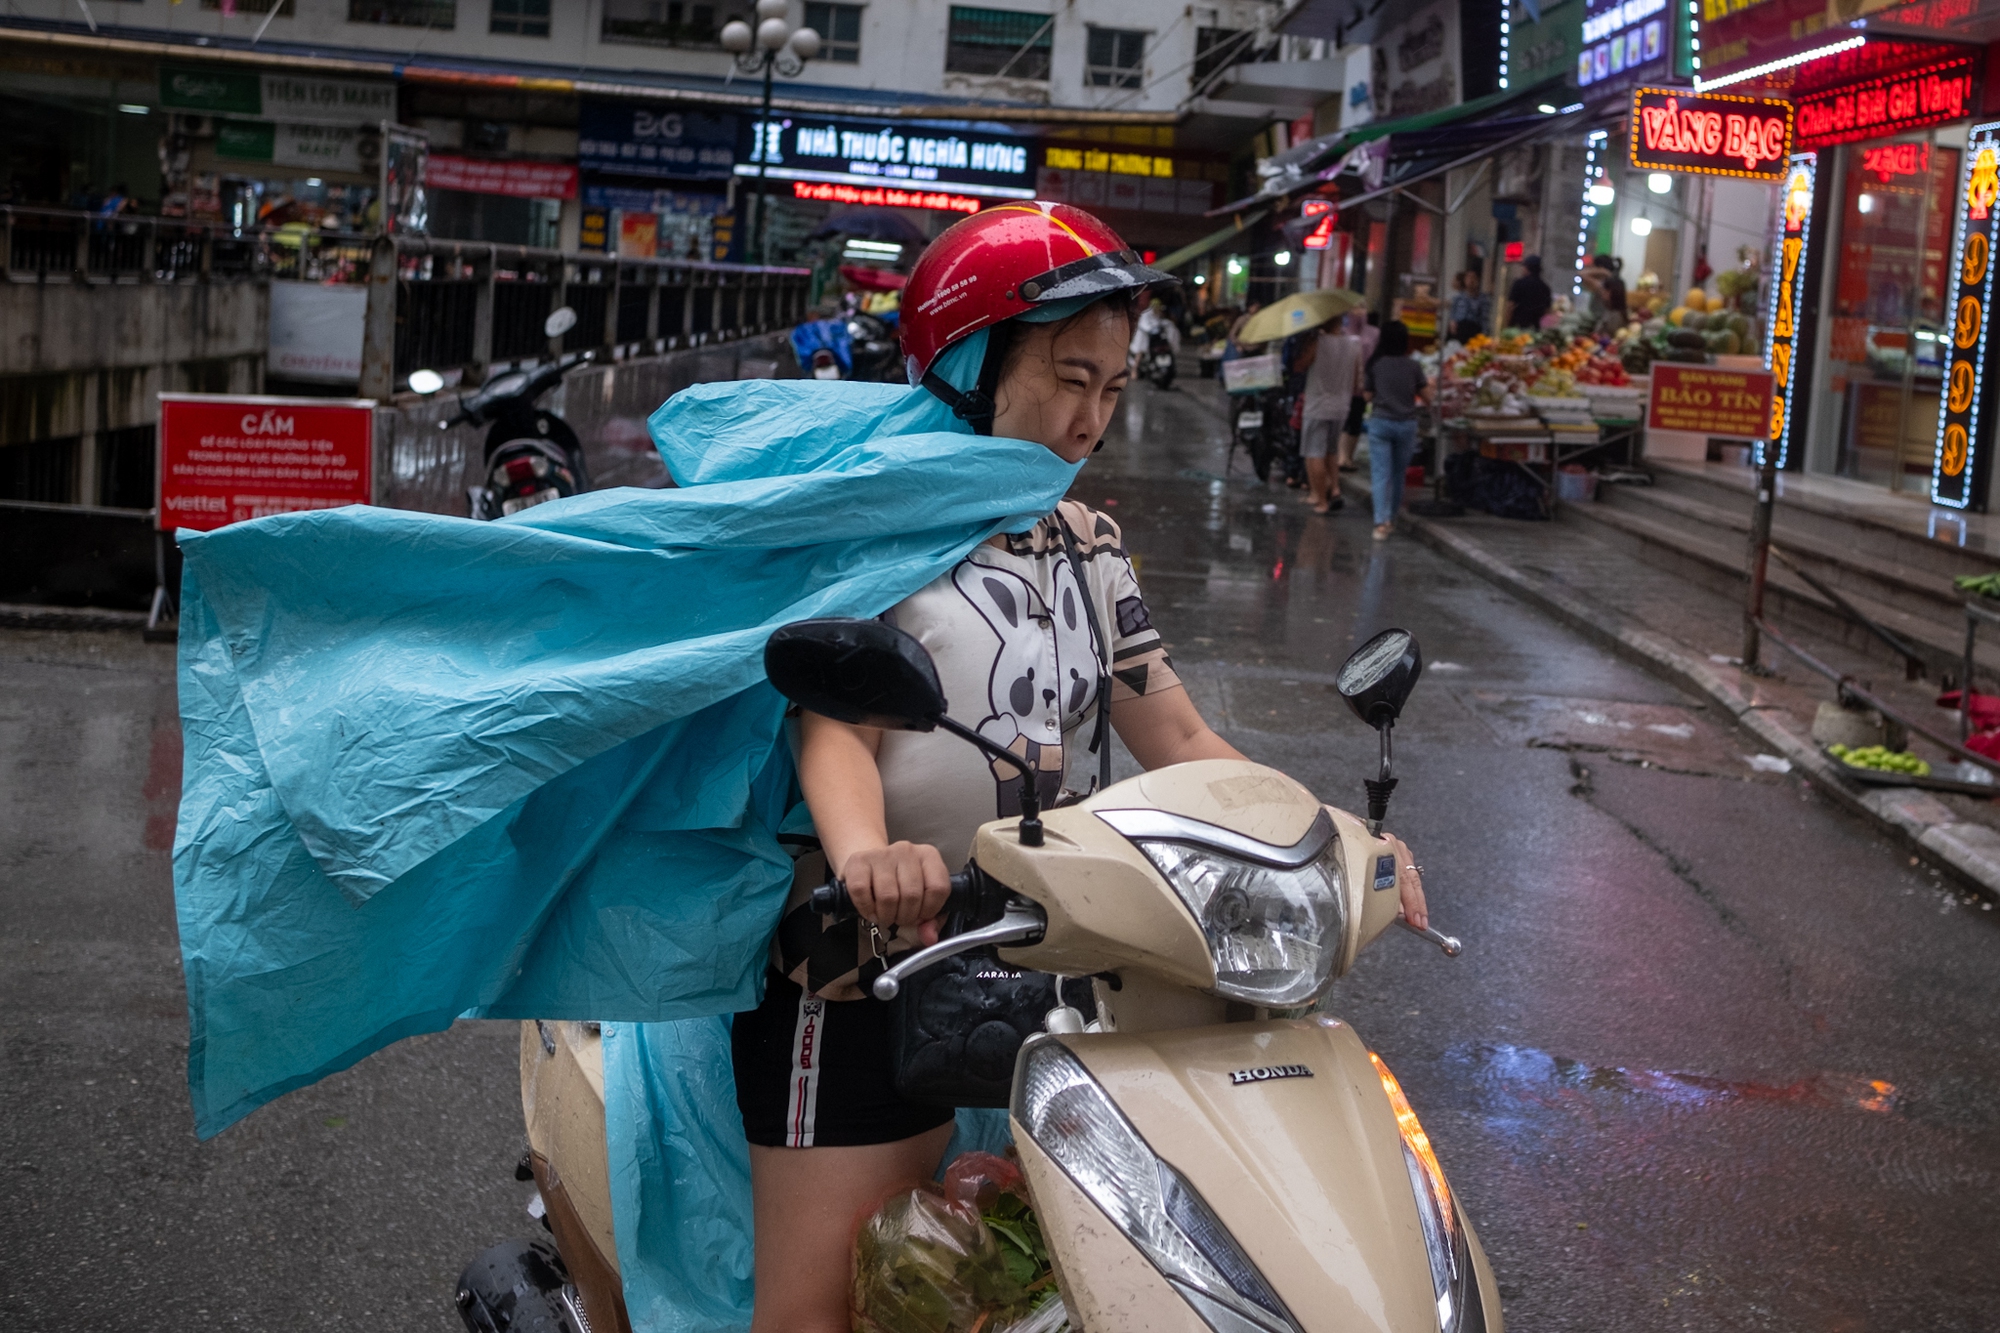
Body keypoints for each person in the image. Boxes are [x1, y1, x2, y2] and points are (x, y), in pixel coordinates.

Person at [732, 204, 1430, 1331]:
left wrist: (1331, 839)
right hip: (868, 971)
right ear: (970, 360)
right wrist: (867, 856)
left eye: (1111, 389)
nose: (1089, 418)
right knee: (823, 1311)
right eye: (1069, 377)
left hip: (1063, 975)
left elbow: (1184, 741)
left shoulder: (1088, 551)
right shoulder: (874, 533)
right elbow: (836, 728)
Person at [1363, 319, 1427, 542]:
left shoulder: (1376, 365)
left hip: (1381, 422)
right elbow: (1427, 396)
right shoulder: (1413, 366)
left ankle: (1382, 522)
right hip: (1406, 424)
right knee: (1399, 474)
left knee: (1381, 474)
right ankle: (1393, 515)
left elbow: (1367, 396)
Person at [1297, 314, 1362, 513]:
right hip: (1341, 405)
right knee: (1331, 451)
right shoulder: (1354, 344)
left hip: (1318, 405)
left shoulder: (1318, 342)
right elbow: (1357, 379)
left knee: (1314, 452)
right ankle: (1334, 489)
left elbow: (1300, 366)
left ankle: (1321, 501)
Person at [1336, 310, 1379, 473]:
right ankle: (1342, 456)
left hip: (1363, 385)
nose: (1358, 311)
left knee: (1355, 420)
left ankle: (1348, 456)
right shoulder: (1342, 332)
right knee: (1344, 421)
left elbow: (1376, 357)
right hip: (1343, 384)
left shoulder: (1374, 333)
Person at [1581, 253, 1628, 333]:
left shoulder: (1607, 284)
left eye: (1594, 267)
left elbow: (1582, 275)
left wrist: (1604, 272)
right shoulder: (1614, 282)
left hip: (1599, 318)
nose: (1592, 269)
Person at [1506, 254, 1552, 331]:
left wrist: (1506, 325)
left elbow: (1510, 306)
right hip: (1535, 330)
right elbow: (1547, 312)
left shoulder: (1519, 283)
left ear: (1527, 268)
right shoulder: (1545, 288)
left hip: (1517, 328)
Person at [1447, 269, 1491, 343]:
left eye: (1473, 278)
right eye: (1468, 278)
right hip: (1459, 329)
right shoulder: (1458, 297)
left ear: (1478, 280)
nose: (1471, 280)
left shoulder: (1483, 299)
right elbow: (1453, 312)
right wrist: (1452, 322)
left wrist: (1484, 334)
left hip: (1473, 330)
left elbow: (1484, 318)